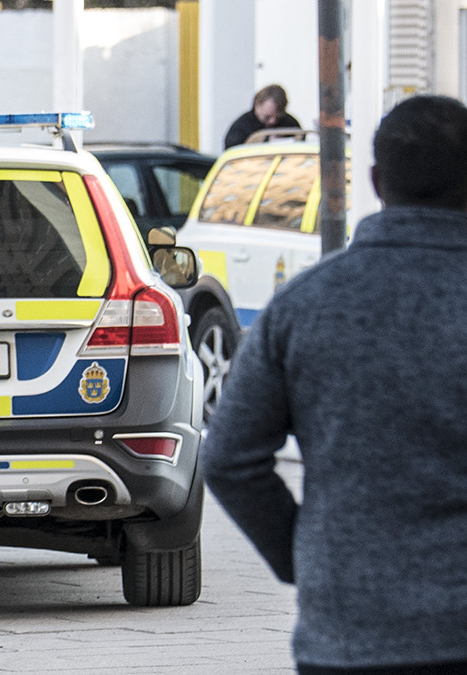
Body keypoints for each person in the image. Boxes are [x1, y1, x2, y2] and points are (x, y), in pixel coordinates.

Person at [201, 94, 467, 673]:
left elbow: (226, 458)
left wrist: (301, 552)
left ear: (375, 180)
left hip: (349, 631)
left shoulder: (304, 306)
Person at [223, 84, 302, 148]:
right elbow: (231, 151)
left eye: (278, 117)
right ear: (257, 105)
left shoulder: (291, 124)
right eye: (266, 117)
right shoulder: (241, 127)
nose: (272, 121)